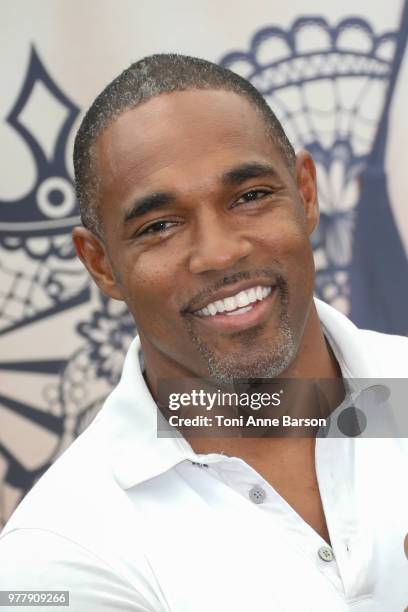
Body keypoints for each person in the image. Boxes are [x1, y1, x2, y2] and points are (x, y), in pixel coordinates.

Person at [0, 54, 407, 611]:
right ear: (100, 264)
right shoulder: (59, 551)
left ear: (306, 194)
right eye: (159, 226)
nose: (219, 252)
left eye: (250, 196)